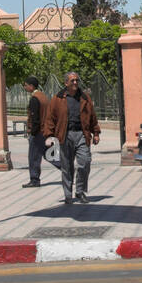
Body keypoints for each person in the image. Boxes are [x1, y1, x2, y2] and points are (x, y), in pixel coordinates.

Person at [44, 71, 100, 203]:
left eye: (76, 80)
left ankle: (80, 191)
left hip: (82, 134)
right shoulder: (57, 99)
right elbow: (50, 118)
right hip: (65, 135)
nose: (75, 83)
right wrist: (49, 136)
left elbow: (92, 117)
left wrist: (96, 133)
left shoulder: (85, 98)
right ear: (66, 83)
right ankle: (68, 194)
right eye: (72, 81)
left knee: (85, 162)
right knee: (67, 166)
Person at [21, 76, 49, 188]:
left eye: (26, 85)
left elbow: (35, 118)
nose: (24, 87)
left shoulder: (35, 99)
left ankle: (34, 179)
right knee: (50, 155)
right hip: (45, 130)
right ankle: (68, 170)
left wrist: (32, 132)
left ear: (31, 86)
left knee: (33, 157)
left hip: (38, 132)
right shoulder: (43, 96)